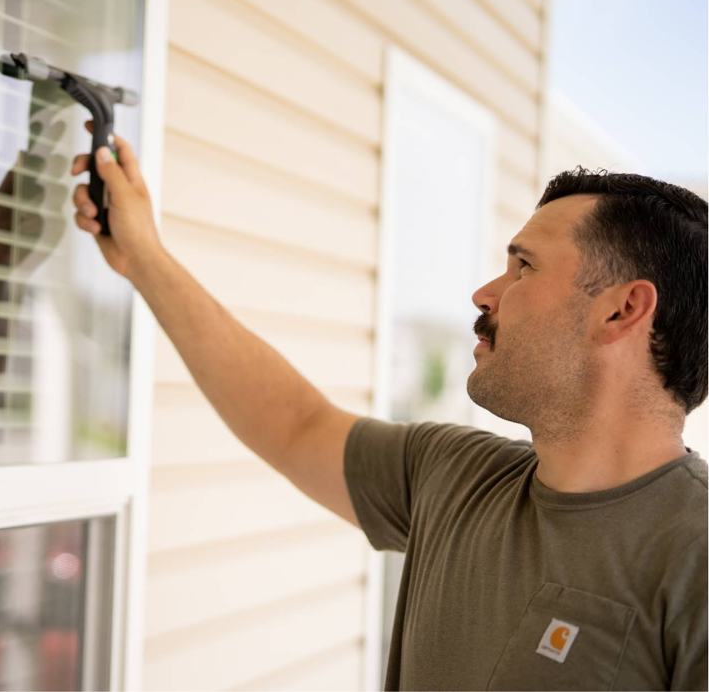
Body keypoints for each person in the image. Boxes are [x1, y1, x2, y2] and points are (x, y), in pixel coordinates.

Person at [71, 123, 707, 691]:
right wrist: (143, 258)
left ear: (622, 310)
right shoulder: (453, 476)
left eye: (523, 267)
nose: (486, 293)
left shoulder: (694, 555)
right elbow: (297, 426)